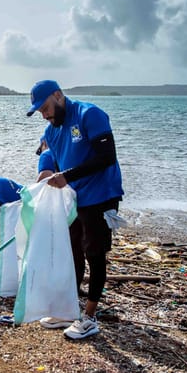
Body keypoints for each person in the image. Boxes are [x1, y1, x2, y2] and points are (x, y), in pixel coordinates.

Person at [27, 80, 124, 339]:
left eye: (46, 108)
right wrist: (47, 174)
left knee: (95, 253)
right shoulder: (51, 132)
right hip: (75, 199)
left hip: (101, 196)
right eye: (40, 111)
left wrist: (67, 176)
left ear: (58, 95)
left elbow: (107, 157)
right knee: (72, 252)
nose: (44, 115)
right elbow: (52, 160)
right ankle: (68, 310)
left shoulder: (89, 114)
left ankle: (90, 317)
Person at [36, 138, 88, 299]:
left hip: (64, 208)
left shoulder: (47, 153)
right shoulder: (71, 152)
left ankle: (62, 288)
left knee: (65, 247)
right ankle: (75, 287)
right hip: (84, 202)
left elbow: (43, 178)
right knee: (78, 248)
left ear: (45, 143)